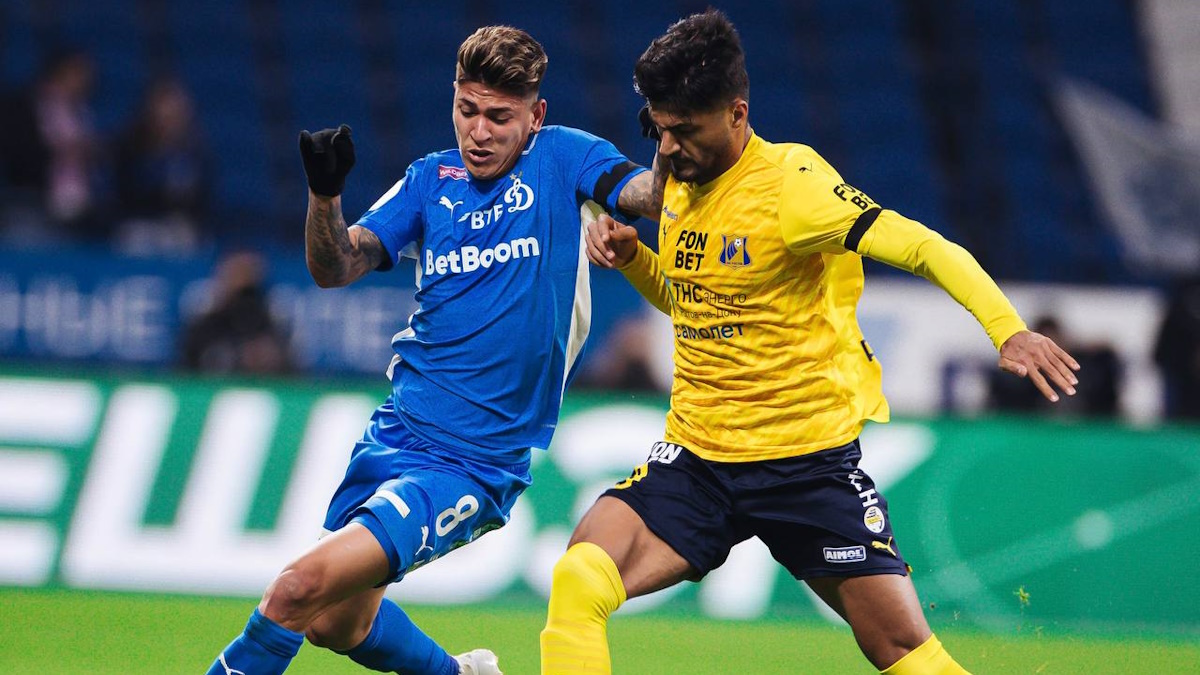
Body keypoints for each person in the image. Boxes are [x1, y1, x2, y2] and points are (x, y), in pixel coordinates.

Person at [540, 10, 1080, 675]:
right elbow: (698, 303)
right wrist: (635, 261)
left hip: (805, 466)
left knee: (901, 651)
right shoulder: (679, 180)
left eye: (686, 130)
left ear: (737, 114)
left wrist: (1007, 329)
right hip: (699, 459)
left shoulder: (793, 186)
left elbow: (923, 246)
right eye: (660, 128)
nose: (669, 150)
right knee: (579, 578)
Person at [205, 25, 657, 675]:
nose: (479, 132)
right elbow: (335, 266)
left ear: (536, 116)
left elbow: (646, 195)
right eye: (467, 110)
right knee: (335, 621)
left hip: (473, 460)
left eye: (499, 117)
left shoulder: (566, 158)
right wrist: (324, 196)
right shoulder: (429, 180)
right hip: (396, 431)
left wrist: (671, 143)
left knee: (295, 590)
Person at [113, 76, 212, 256]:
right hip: (140, 222)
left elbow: (203, 192)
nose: (171, 115)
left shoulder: (194, 149)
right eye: (166, 108)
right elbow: (126, 188)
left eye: (177, 109)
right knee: (135, 237)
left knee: (188, 237)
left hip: (178, 225)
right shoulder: (132, 145)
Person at [178, 250, 292, 375]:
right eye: (235, 274)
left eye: (247, 289)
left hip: (261, 383)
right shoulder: (205, 327)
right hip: (214, 383)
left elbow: (291, 370)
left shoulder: (270, 324)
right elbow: (185, 366)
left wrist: (268, 356)